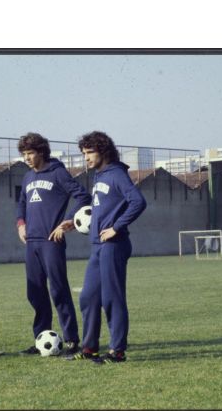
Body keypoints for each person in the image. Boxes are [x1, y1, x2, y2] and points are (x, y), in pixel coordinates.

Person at [67, 131, 146, 364]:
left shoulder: (117, 174)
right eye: (84, 153)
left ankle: (117, 351)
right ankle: (90, 348)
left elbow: (138, 201)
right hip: (98, 246)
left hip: (114, 244)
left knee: (112, 298)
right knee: (89, 298)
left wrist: (117, 227)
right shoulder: (99, 177)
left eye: (90, 152)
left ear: (104, 151)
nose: (86, 158)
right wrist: (74, 221)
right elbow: (101, 207)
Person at [16, 132, 91, 356]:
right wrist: (21, 224)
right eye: (24, 154)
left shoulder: (58, 172)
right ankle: (42, 339)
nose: (27, 158)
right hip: (32, 243)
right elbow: (20, 204)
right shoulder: (28, 177)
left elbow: (82, 196)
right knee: (35, 292)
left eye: (30, 153)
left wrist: (68, 221)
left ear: (41, 152)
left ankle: (71, 340)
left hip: (52, 241)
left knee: (58, 289)